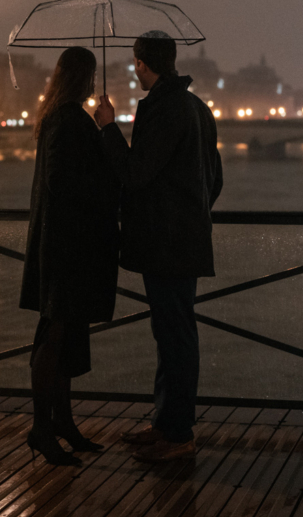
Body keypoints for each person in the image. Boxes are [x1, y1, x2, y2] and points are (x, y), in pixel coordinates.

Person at [94, 31, 222, 463]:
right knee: (173, 333)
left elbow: (135, 173)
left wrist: (108, 128)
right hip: (184, 240)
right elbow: (214, 180)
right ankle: (167, 422)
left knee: (174, 337)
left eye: (135, 63)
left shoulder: (163, 109)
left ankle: (178, 433)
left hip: (165, 243)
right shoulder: (197, 108)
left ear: (142, 64)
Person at [19, 46, 119, 467]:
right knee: (56, 333)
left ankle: (62, 423)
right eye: (92, 75)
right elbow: (66, 182)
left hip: (63, 243)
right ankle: (43, 428)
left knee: (64, 334)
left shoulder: (57, 116)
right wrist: (105, 133)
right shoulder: (68, 119)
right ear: (85, 78)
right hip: (68, 247)